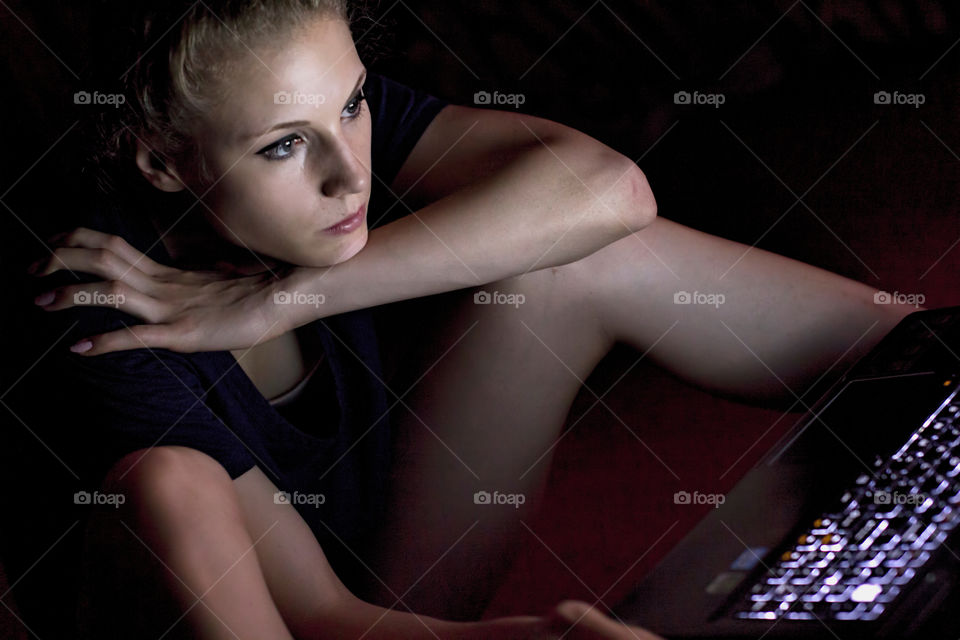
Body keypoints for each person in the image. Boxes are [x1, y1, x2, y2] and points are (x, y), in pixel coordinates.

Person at [23, 0, 917, 638]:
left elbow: (610, 192)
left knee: (571, 257)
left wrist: (285, 294)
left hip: (395, 569)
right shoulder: (102, 306)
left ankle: (932, 378)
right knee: (165, 482)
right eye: (284, 146)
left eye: (355, 103)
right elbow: (323, 618)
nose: (349, 174)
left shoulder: (311, 116)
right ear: (162, 162)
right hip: (348, 621)